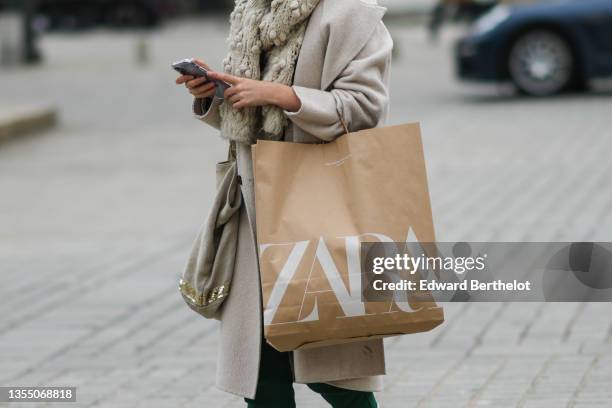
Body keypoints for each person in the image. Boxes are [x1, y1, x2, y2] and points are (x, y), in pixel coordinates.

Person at [175, 0, 393, 406]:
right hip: (253, 213)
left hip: (321, 212)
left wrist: (283, 96)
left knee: (338, 377)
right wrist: (214, 95)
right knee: (261, 376)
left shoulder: (352, 16)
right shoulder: (250, 12)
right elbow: (245, 118)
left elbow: (365, 108)